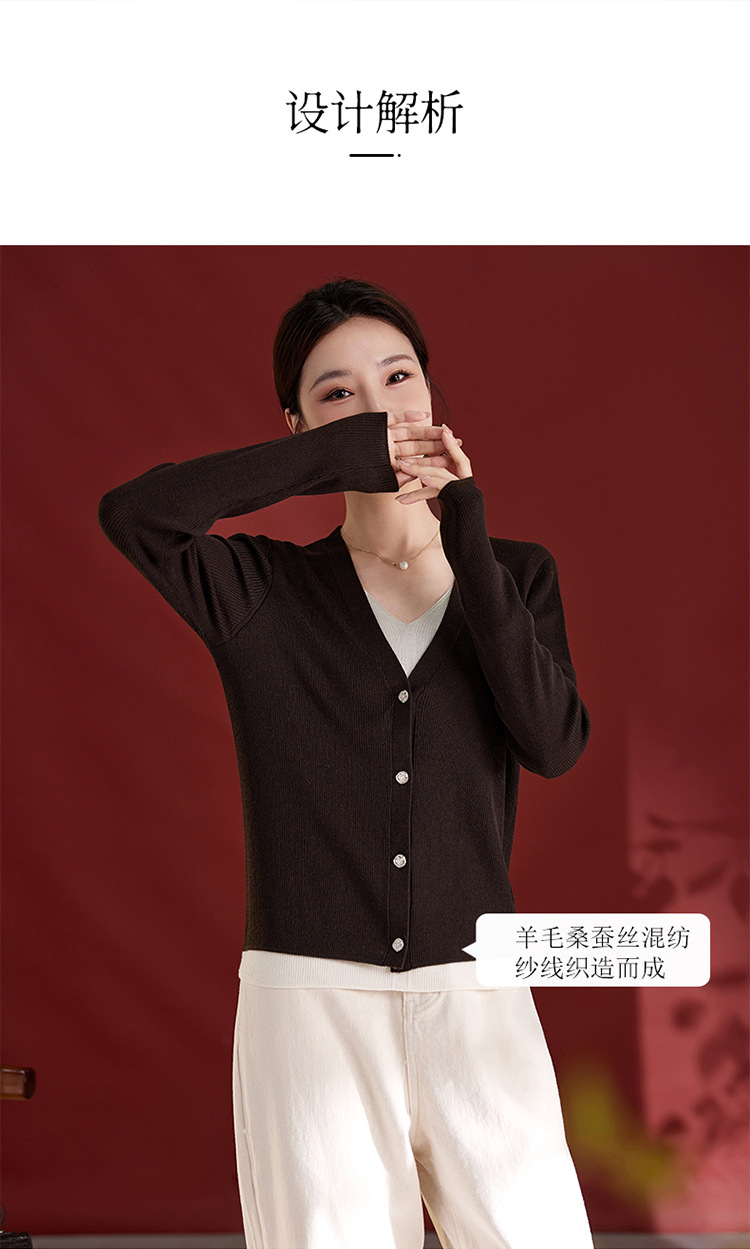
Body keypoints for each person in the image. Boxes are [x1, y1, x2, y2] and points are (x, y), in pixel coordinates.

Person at [98, 277, 594, 1249]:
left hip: (475, 994)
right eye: (337, 394)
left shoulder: (515, 574)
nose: (379, 408)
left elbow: (554, 742)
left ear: (433, 393)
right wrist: (341, 456)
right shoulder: (261, 590)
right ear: (298, 429)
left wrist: (468, 538)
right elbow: (136, 514)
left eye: (398, 378)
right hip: (309, 1005)